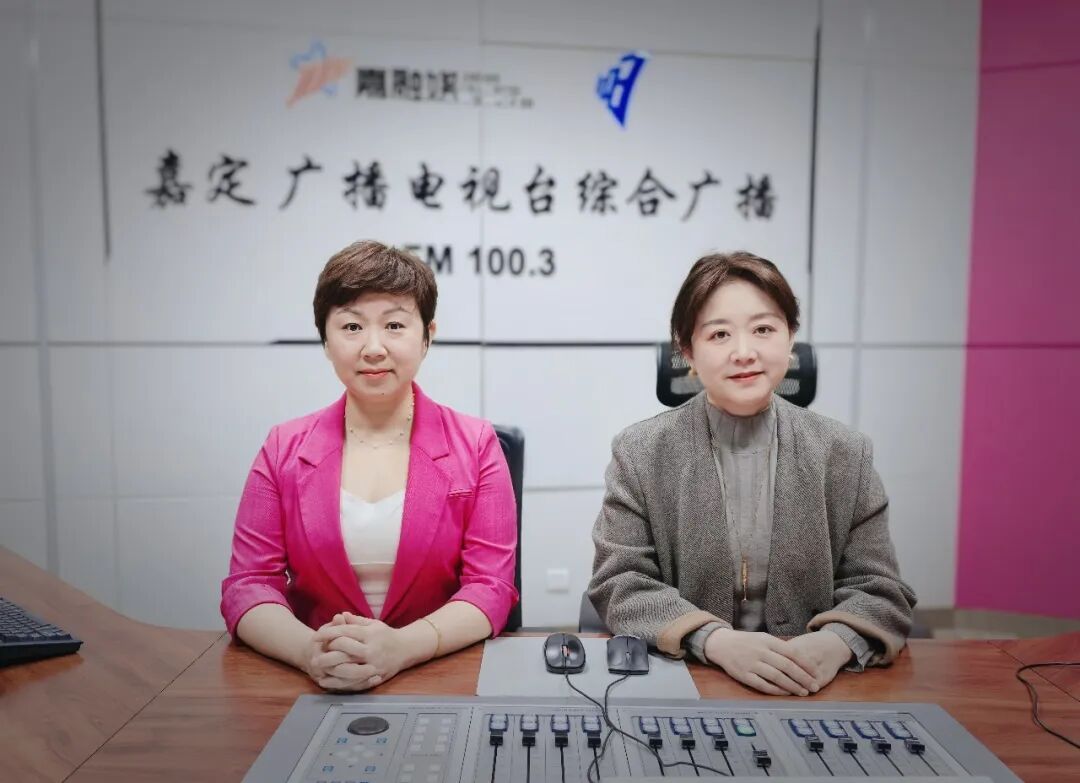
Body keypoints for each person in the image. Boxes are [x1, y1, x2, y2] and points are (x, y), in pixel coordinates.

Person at [588, 251, 916, 697]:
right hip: (689, 682)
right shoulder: (641, 453)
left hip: (815, 684)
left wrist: (837, 643)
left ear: (790, 338)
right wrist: (713, 640)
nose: (744, 353)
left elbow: (880, 589)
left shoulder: (844, 453)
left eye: (763, 329)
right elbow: (620, 582)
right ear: (687, 351)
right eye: (719, 334)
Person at [221, 240, 518, 691]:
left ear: (427, 336)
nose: (373, 348)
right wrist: (307, 651)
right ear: (326, 340)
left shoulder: (476, 444)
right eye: (352, 326)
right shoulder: (283, 448)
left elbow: (490, 587)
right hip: (318, 681)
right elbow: (249, 584)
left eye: (395, 325)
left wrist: (401, 648)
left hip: (439, 676)